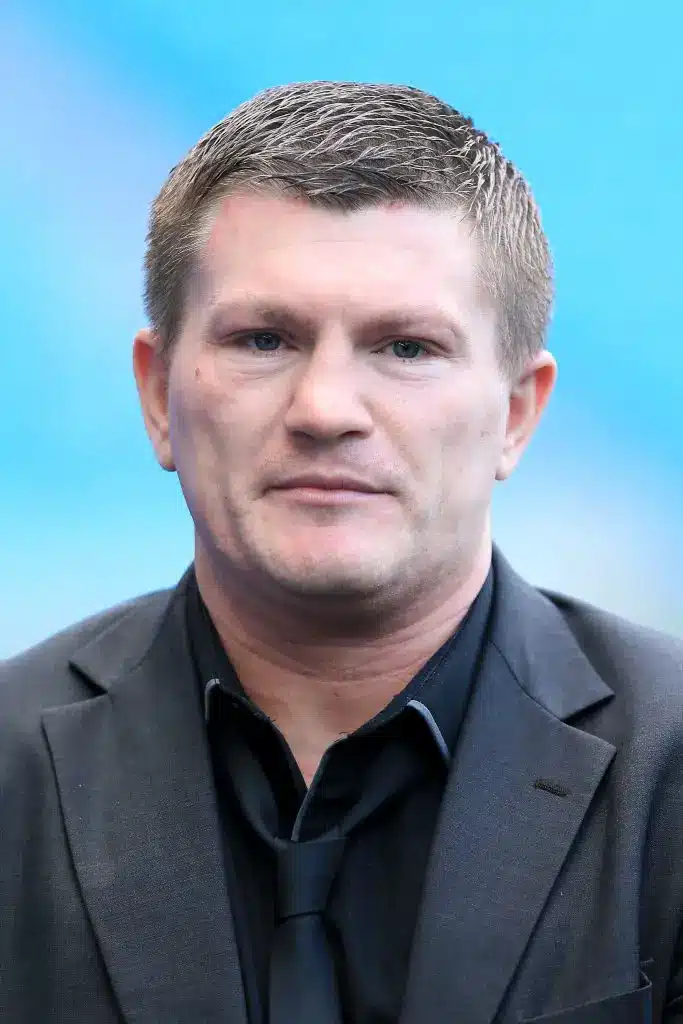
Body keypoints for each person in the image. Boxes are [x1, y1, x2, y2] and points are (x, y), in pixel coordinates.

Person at [1, 80, 681, 1024]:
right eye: (264, 339)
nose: (324, 409)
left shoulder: (668, 767)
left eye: (406, 348)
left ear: (516, 414)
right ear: (157, 397)